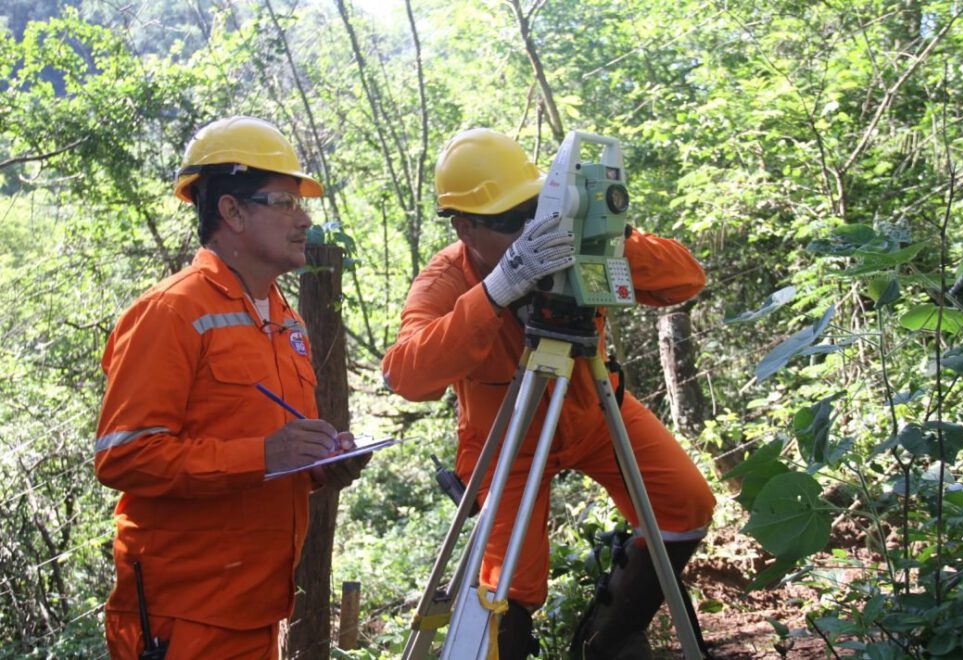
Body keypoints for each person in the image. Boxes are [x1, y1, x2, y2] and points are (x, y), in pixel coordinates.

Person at [381, 128, 716, 659]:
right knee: (509, 582)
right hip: (505, 437)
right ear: (466, 227)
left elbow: (686, 278)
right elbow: (405, 376)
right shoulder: (446, 278)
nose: (530, 231)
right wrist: (496, 291)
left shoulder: (571, 240)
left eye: (536, 209)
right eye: (512, 222)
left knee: (687, 503)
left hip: (593, 411)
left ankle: (610, 641)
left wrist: (606, 240)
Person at [94, 116, 364, 658]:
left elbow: (262, 452)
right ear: (232, 211)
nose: (304, 219)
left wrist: (318, 464)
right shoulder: (170, 312)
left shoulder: (286, 320)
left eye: (301, 204)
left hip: (259, 611)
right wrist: (264, 455)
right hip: (184, 619)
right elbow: (124, 457)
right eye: (284, 203)